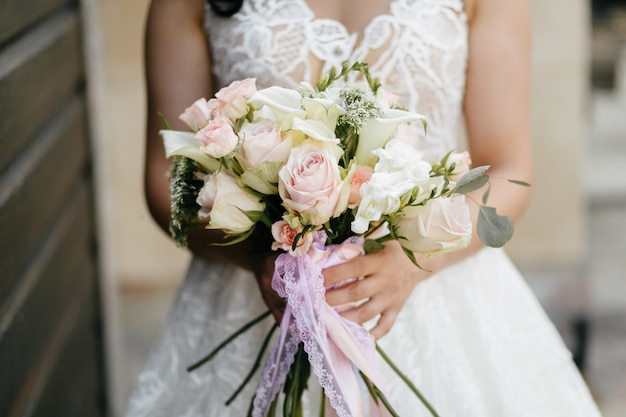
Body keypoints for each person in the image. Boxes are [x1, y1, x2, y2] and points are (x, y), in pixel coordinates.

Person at [127, 0, 602, 415]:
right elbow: (165, 179)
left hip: (437, 298)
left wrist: (417, 261)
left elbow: (508, 167)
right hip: (254, 298)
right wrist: (259, 259)